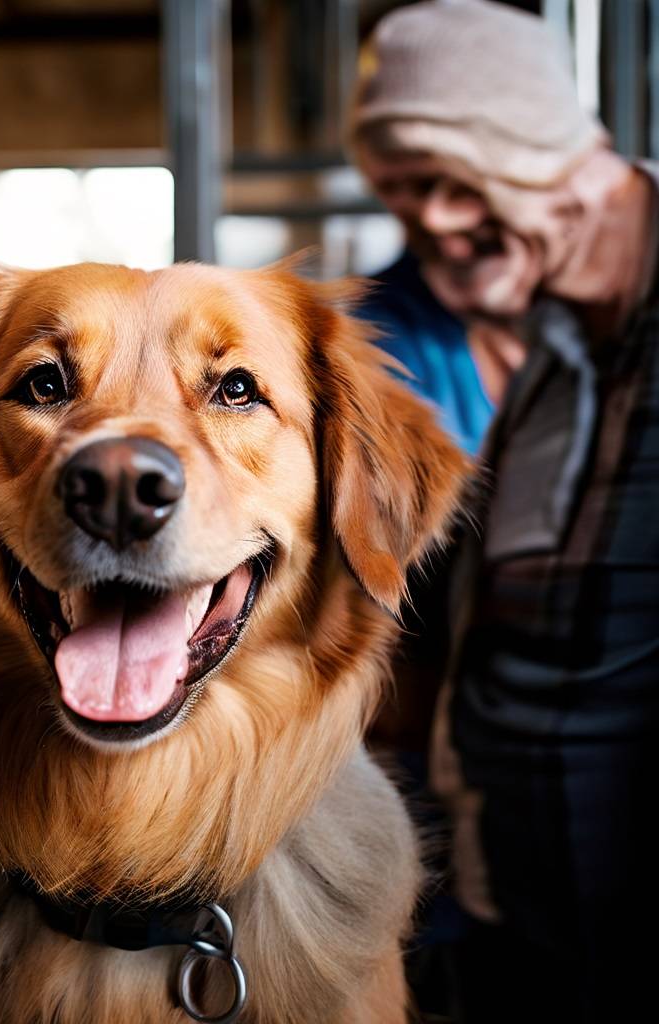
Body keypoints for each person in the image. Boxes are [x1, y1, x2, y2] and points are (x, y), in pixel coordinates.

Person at [350, 2, 659, 1022]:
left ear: (542, 147)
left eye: (451, 180)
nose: (429, 221)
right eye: (400, 193)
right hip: (515, 921)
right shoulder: (554, 345)